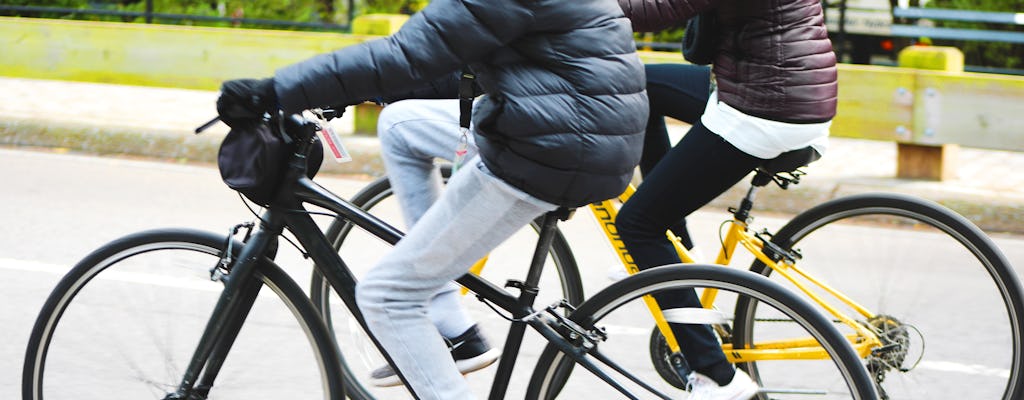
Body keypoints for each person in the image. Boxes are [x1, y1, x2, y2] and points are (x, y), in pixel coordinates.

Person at [214, 0, 648, 398]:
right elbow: (451, 55)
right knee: (402, 125)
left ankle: (423, 302)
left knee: (386, 295)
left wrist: (274, 92)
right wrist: (350, 88)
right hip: (575, 125)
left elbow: (409, 54)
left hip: (555, 147)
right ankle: (451, 325)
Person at [614, 0, 838, 399]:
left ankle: (716, 374)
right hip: (787, 89)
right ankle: (680, 255)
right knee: (639, 87)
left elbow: (655, 10)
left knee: (637, 224)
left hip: (766, 106)